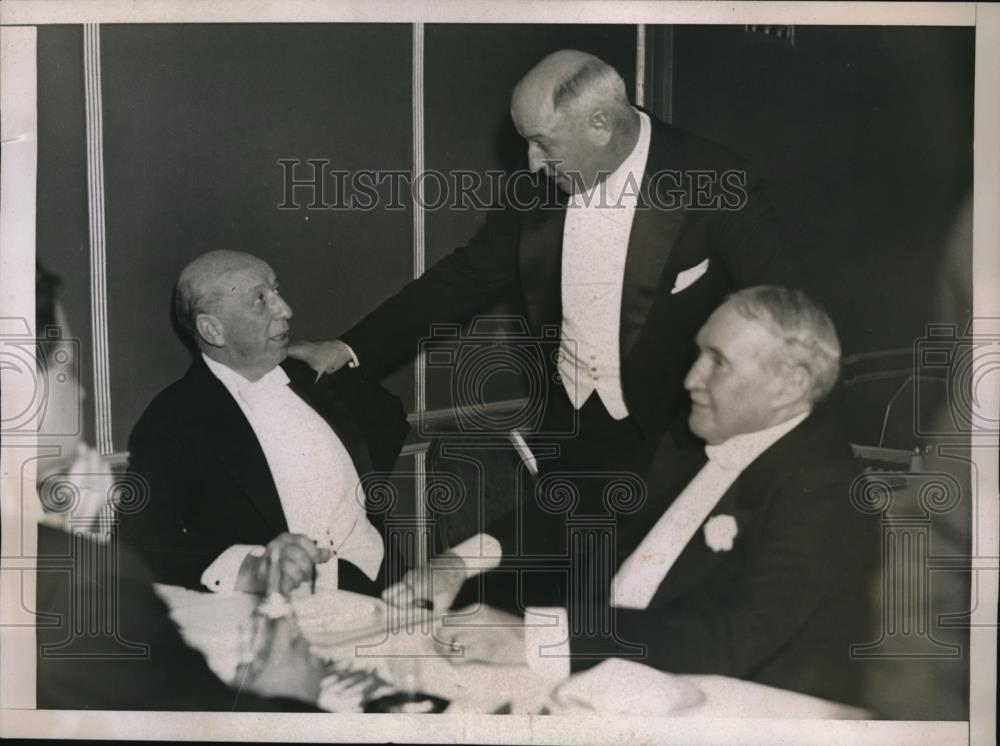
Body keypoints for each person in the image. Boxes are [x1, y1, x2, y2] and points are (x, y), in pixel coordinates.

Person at [290, 50, 789, 606]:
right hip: (571, 435)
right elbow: (463, 279)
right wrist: (351, 345)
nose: (529, 163)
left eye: (542, 142)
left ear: (600, 125)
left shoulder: (717, 179)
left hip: (681, 439)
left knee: (656, 605)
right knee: (569, 599)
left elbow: (783, 316)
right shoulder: (539, 189)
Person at [442, 287, 879, 708]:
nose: (691, 379)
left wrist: (536, 636)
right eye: (699, 354)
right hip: (607, 675)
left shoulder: (825, 490)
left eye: (718, 362)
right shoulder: (688, 436)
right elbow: (581, 504)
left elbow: (728, 638)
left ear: (789, 385)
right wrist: (456, 563)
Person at [32, 262, 325, 711]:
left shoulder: (316, 378)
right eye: (65, 366)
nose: (82, 394)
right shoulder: (174, 419)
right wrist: (282, 697)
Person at [116, 250, 410, 596]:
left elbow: (389, 417)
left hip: (390, 587)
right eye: (261, 299)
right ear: (212, 329)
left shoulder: (313, 375)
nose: (285, 309)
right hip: (283, 612)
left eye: (276, 290)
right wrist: (251, 569)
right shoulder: (175, 417)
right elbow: (138, 545)